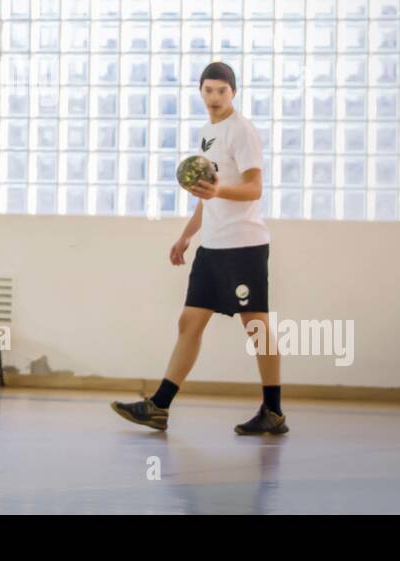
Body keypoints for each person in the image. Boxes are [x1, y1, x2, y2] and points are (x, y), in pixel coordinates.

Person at [111, 61, 288, 435]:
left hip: (245, 246)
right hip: (213, 245)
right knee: (189, 322)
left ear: (233, 93)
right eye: (208, 90)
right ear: (200, 92)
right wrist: (187, 235)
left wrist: (220, 190)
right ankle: (159, 406)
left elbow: (254, 188)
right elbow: (207, 195)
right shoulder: (207, 132)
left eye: (222, 91)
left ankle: (273, 411)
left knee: (256, 327)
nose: (214, 97)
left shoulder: (242, 132)